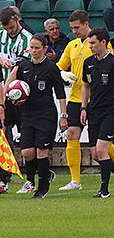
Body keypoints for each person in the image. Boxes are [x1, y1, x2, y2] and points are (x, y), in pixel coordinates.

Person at [56, 10, 114, 191]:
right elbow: (59, 66)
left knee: (101, 143)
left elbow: (109, 65)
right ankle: (75, 180)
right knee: (71, 134)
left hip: (97, 100)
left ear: (86, 24)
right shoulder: (72, 45)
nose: (74, 31)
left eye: (77, 27)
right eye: (71, 28)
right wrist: (63, 74)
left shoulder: (101, 42)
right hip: (76, 99)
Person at [5, 34, 68, 198]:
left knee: (41, 151)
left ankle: (40, 187)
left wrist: (63, 115)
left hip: (46, 114)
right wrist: (16, 70)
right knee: (27, 152)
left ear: (45, 49)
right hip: (28, 114)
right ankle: (43, 175)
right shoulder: (24, 66)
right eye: (31, 48)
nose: (33, 51)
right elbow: (11, 89)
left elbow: (61, 94)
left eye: (37, 48)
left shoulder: (51, 68)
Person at [81, 27, 114, 198]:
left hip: (110, 112)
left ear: (103, 42)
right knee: (96, 154)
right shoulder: (88, 63)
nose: (90, 46)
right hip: (93, 112)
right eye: (89, 43)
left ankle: (104, 191)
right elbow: (86, 85)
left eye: (93, 43)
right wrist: (83, 107)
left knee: (102, 150)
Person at [0, 7, 33, 194]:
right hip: (2, 93)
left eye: (11, 27)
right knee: (2, 135)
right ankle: (3, 178)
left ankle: (32, 177)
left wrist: (7, 88)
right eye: (6, 28)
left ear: (16, 19)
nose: (9, 31)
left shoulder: (27, 38)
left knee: (26, 137)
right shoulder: (1, 35)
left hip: (20, 94)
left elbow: (19, 66)